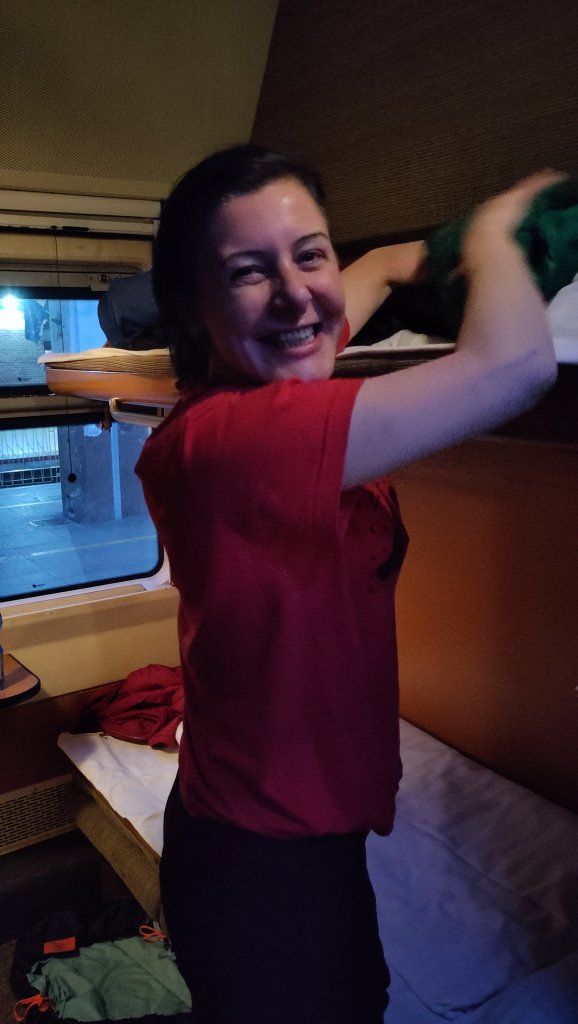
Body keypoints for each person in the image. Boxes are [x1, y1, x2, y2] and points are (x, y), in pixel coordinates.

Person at [135, 145, 558, 1024]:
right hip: (258, 866)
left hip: (311, 835)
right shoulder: (235, 440)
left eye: (310, 254)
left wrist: (403, 258)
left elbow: (346, 287)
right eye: (248, 272)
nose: (297, 295)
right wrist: (495, 233)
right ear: (193, 307)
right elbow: (515, 366)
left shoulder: (256, 383)